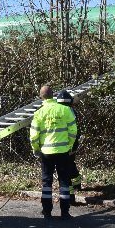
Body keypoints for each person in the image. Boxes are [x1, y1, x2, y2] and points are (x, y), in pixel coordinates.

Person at [30, 86, 78, 220]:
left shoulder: (39, 113)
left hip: (46, 153)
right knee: (64, 181)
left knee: (46, 183)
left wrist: (36, 149)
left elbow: (34, 135)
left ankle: (46, 212)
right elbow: (73, 131)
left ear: (41, 97)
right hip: (63, 152)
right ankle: (65, 212)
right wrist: (69, 146)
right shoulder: (65, 109)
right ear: (53, 95)